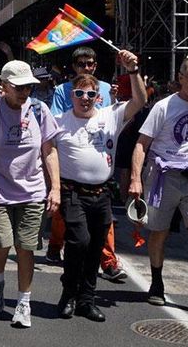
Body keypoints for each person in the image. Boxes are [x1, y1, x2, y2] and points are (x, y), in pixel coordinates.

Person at [53, 50, 145, 322]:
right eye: (79, 95)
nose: (85, 99)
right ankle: (68, 293)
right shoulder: (58, 122)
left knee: (95, 249)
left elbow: (140, 100)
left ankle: (86, 300)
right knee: (78, 242)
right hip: (73, 193)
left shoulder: (110, 115)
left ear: (98, 97)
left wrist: (133, 70)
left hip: (102, 194)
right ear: (71, 96)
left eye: (90, 95)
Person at [129, 55, 188, 307]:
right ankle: (156, 282)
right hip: (163, 177)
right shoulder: (164, 107)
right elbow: (142, 144)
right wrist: (136, 179)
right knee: (160, 232)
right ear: (180, 78)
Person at [0, 60, 61, 328]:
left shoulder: (39, 109)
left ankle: (24, 303)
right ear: (4, 87)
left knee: (26, 247)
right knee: (1, 242)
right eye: (19, 88)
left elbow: (49, 150)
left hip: (32, 191)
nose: (25, 93)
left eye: (28, 88)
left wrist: (55, 187)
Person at [47, 47, 123, 279]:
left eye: (90, 63)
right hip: (70, 163)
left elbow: (113, 115)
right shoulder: (63, 91)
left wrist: (132, 73)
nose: (86, 68)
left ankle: (108, 261)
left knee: (103, 223)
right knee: (67, 224)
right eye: (81, 64)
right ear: (74, 67)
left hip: (100, 164)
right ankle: (55, 246)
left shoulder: (107, 89)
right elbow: (55, 127)